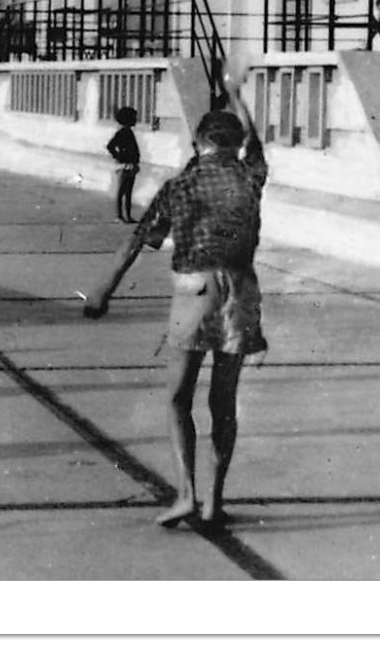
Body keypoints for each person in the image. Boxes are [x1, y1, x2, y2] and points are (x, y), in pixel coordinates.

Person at [84, 70, 268, 530]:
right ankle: (213, 502)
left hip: (196, 291)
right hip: (241, 293)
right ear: (234, 144)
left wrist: (104, 291)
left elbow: (138, 243)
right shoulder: (250, 177)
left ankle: (186, 494)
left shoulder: (179, 187)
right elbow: (256, 147)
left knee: (177, 399)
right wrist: (237, 96)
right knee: (223, 404)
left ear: (198, 144)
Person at [105, 106, 141, 223]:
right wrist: (120, 157)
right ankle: (121, 216)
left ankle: (125, 216)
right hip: (125, 166)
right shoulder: (124, 132)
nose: (136, 120)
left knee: (126, 192)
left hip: (129, 165)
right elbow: (110, 146)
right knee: (123, 192)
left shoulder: (127, 132)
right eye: (134, 118)